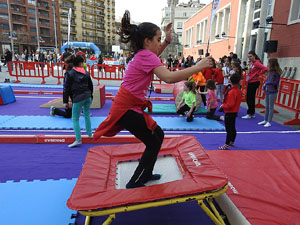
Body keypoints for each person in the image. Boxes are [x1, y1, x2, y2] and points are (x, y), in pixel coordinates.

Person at [93, 10, 212, 189]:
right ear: (147, 41)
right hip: (126, 108)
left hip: (129, 105)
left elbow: (155, 54)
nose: (159, 43)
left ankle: (145, 174)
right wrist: (197, 67)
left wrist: (167, 41)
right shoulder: (146, 56)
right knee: (153, 141)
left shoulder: (142, 54)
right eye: (158, 39)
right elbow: (169, 78)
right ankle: (135, 181)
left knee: (158, 135)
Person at [63, 54, 94, 148]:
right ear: (81, 63)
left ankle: (78, 139)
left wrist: (65, 101)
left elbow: (66, 88)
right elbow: (91, 85)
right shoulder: (86, 72)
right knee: (87, 114)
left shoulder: (70, 73)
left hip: (78, 97)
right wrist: (91, 96)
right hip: (87, 96)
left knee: (75, 118)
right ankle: (90, 134)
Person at [242, 51, 268, 119]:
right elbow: (250, 70)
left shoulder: (257, 63)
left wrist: (258, 74)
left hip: (254, 81)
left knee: (249, 98)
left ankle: (249, 113)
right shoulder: (251, 63)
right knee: (250, 98)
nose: (249, 58)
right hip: (250, 81)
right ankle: (252, 113)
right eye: (248, 57)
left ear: (254, 56)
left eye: (250, 56)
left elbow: (265, 68)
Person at [219, 73, 242, 150]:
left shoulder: (232, 92)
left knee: (229, 129)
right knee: (232, 127)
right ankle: (232, 141)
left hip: (230, 112)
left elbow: (230, 104)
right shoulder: (237, 91)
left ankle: (226, 144)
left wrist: (222, 106)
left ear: (230, 81)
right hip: (234, 111)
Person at [258, 58, 282, 127]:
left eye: (269, 63)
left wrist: (268, 83)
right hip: (268, 90)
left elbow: (276, 82)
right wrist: (264, 86)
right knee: (267, 106)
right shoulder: (269, 72)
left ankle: (269, 121)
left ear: (272, 64)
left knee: (271, 107)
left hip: (273, 91)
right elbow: (267, 79)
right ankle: (265, 120)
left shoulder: (276, 72)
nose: (268, 64)